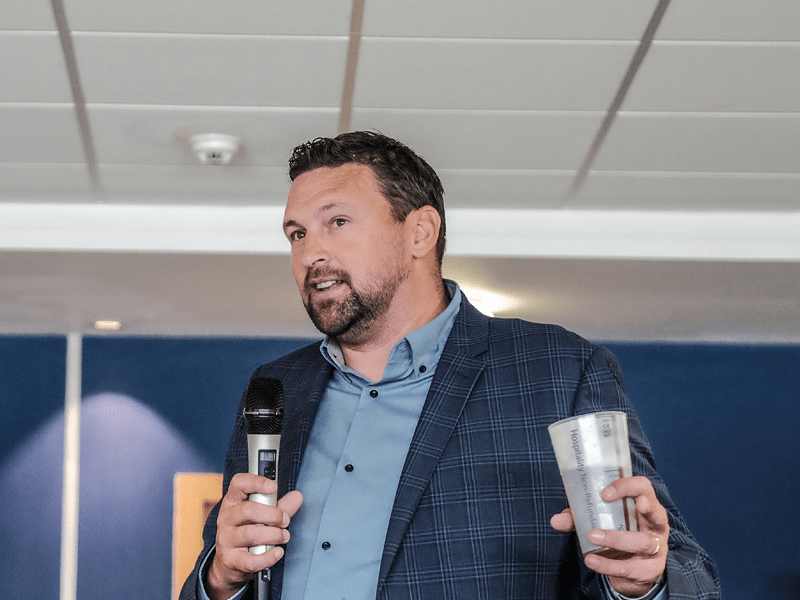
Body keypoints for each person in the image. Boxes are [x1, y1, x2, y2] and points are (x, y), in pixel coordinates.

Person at [180, 131, 720, 600]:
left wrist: (644, 581)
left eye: (337, 222)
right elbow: (224, 570)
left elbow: (687, 575)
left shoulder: (559, 371)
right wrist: (221, 579)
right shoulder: (278, 387)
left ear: (420, 232)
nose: (309, 255)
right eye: (296, 234)